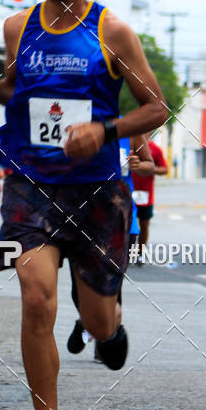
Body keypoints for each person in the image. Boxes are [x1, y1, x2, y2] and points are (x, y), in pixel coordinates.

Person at [0, 0, 166, 410]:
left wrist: (104, 131)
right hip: (30, 184)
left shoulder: (113, 32)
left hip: (99, 192)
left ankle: (102, 322)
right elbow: (21, 95)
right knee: (35, 298)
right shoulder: (17, 27)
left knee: (102, 325)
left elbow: (156, 107)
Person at [67, 133, 154, 361]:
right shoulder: (81, 124)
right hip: (84, 217)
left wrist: (139, 164)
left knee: (113, 287)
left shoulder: (133, 131)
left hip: (121, 221)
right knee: (79, 286)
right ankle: (85, 320)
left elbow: (149, 166)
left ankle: (105, 341)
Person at [132, 131, 168, 261]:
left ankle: (140, 253)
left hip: (146, 194)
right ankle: (125, 253)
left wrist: (151, 169)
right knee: (126, 224)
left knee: (144, 224)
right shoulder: (130, 145)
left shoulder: (155, 149)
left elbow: (165, 169)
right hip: (128, 191)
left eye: (147, 131)